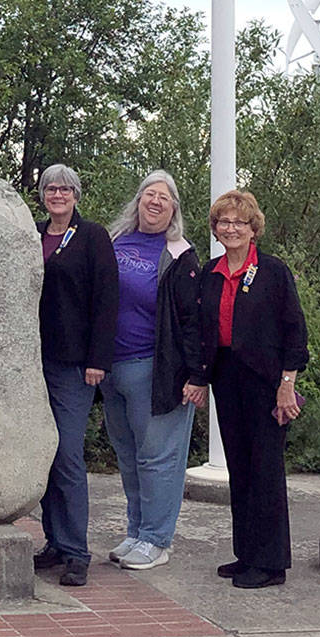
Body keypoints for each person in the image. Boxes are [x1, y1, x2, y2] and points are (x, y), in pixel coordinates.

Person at [193, 188, 308, 590]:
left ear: (253, 227)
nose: (231, 228)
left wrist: (287, 384)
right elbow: (203, 331)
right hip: (227, 379)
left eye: (239, 222)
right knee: (240, 470)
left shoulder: (272, 272)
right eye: (224, 222)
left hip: (267, 382)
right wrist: (200, 378)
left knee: (265, 472)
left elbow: (295, 330)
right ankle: (247, 555)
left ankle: (272, 563)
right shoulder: (211, 272)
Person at [102, 170, 206, 570]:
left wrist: (196, 376)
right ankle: (136, 531)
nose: (156, 201)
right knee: (128, 456)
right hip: (112, 369)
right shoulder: (114, 242)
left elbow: (193, 321)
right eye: (150, 193)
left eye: (165, 197)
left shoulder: (180, 255)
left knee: (158, 458)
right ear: (138, 201)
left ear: (174, 208)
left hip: (156, 370)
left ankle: (157, 540)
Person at [31, 164, 119, 588]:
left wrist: (97, 359)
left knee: (66, 454)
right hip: (31, 364)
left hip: (73, 365)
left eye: (65, 188)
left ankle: (77, 551)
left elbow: (107, 300)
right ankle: (54, 541)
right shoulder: (32, 233)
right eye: (51, 188)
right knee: (43, 455)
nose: (58, 194)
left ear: (77, 195)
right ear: (42, 194)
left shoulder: (92, 237)